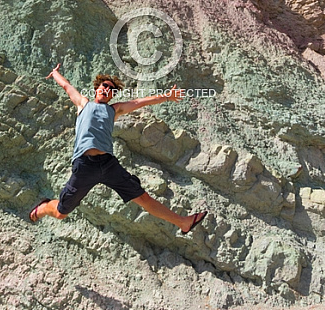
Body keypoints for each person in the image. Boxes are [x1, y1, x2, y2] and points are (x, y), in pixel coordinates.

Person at [31, 63, 208, 235]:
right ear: (97, 88)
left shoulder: (114, 110)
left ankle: (183, 222)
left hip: (108, 164)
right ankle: (44, 207)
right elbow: (66, 85)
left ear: (112, 96)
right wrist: (54, 73)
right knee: (61, 213)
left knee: (143, 198)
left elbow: (139, 102)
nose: (107, 90)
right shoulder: (83, 104)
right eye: (104, 86)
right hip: (84, 165)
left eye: (111, 90)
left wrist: (167, 97)